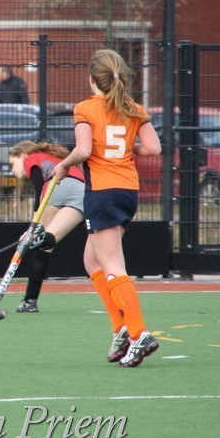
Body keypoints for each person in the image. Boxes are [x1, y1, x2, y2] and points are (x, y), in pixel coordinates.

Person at [53, 48, 162, 368]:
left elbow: (84, 150)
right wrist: (129, 148)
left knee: (113, 265)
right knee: (92, 260)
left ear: (91, 79)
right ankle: (121, 327)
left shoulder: (85, 108)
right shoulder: (133, 108)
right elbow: (154, 147)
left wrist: (63, 165)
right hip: (127, 191)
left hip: (102, 192)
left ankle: (139, 334)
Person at [6, 140, 86, 313]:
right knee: (47, 241)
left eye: (12, 164)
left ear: (22, 155)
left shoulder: (31, 158)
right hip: (81, 193)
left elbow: (39, 188)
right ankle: (29, 301)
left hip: (57, 187)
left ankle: (30, 301)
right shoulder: (53, 158)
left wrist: (32, 228)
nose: (12, 170)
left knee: (39, 245)